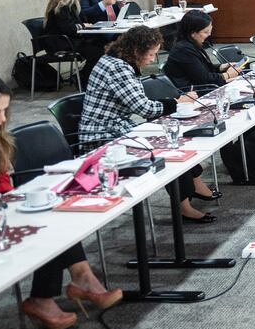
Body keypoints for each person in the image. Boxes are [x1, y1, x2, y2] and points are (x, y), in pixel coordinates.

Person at [0, 72, 122, 329]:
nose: (2, 119)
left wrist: (5, 193)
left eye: (4, 110)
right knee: (44, 221)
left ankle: (73, 280)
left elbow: (0, 180)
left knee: (52, 214)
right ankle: (63, 288)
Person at [78, 27, 215, 222]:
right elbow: (144, 108)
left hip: (119, 127)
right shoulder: (117, 67)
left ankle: (193, 189)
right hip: (102, 137)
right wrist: (177, 102)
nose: (152, 60)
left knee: (173, 143)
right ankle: (183, 206)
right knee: (167, 149)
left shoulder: (115, 60)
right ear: (136, 50)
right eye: (150, 54)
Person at [42, 0, 107, 86]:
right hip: (61, 42)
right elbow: (69, 28)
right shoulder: (60, 7)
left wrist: (84, 24)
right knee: (98, 53)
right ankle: (83, 80)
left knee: (105, 45)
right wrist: (83, 26)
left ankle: (85, 77)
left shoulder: (73, 4)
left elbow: (81, 22)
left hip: (72, 39)